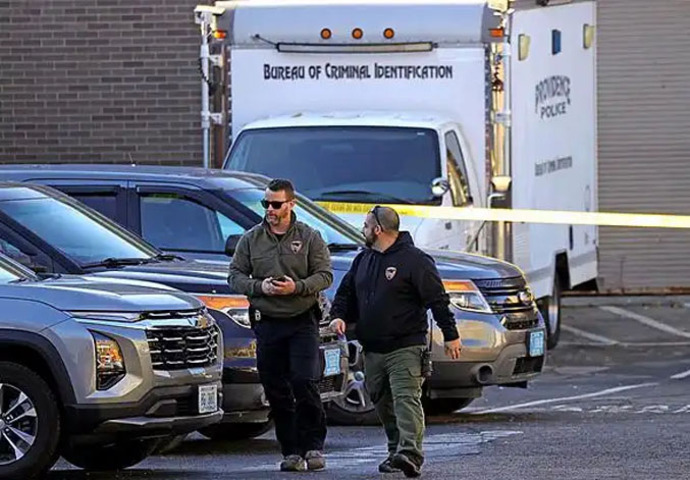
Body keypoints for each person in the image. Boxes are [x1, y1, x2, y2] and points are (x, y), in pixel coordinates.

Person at [329, 206, 461, 478]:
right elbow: (345, 293)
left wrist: (451, 334)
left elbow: (438, 299)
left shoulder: (415, 260)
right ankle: (396, 451)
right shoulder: (363, 259)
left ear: (378, 230)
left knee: (405, 398)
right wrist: (338, 316)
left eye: (366, 226)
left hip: (406, 345)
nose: (363, 231)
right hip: (372, 347)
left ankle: (411, 453)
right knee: (381, 400)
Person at [228, 178, 333, 472]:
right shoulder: (251, 239)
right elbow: (234, 276)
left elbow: (325, 275)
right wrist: (260, 286)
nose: (270, 210)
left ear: (291, 204)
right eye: (266, 204)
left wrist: (296, 287)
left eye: (276, 204)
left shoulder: (309, 237)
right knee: (276, 388)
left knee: (304, 381)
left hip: (302, 320)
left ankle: (313, 445)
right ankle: (291, 451)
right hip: (268, 322)